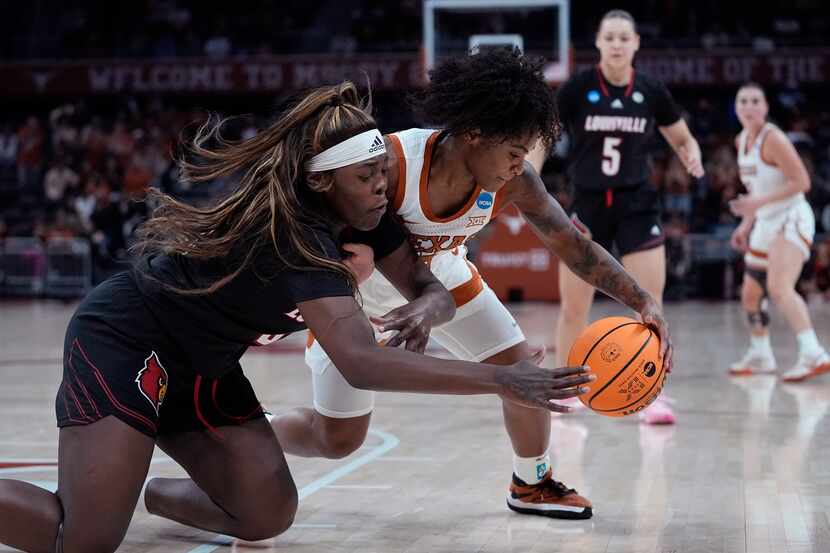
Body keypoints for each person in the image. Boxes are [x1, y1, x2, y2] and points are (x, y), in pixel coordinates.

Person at [0, 82, 595, 553]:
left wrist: (431, 304)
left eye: (383, 175)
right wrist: (502, 379)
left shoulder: (365, 210)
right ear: (319, 181)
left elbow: (426, 281)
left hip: (204, 366)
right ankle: (113, 483)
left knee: (265, 515)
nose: (381, 190)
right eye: (367, 178)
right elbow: (361, 364)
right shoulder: (297, 238)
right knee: (83, 541)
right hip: (131, 340)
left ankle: (150, 492)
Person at [269, 49, 674, 521]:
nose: (521, 162)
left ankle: (532, 481)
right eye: (515, 150)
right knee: (337, 439)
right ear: (476, 134)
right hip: (354, 294)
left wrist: (642, 300)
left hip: (443, 277)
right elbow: (311, 213)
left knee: (520, 369)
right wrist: (322, 271)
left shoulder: (516, 181)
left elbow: (573, 245)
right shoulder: (394, 163)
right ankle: (254, 428)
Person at [538, 9, 703, 425]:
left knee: (650, 306)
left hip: (637, 204)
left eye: (623, 37)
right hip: (586, 205)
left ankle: (653, 394)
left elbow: (680, 134)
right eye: (609, 36)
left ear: (635, 44)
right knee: (573, 307)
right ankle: (565, 390)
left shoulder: (650, 90)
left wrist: (691, 152)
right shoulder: (576, 88)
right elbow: (543, 134)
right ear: (598, 42)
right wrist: (529, 173)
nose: (616, 43)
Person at [727, 82, 830, 381]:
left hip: (791, 216)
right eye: (742, 100)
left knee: (779, 287)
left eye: (755, 101)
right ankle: (761, 353)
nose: (748, 106)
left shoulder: (774, 139)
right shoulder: (740, 140)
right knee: (750, 293)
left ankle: (814, 353)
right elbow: (754, 188)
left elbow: (802, 182)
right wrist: (746, 223)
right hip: (766, 220)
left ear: (765, 107)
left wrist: (756, 204)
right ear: (736, 108)